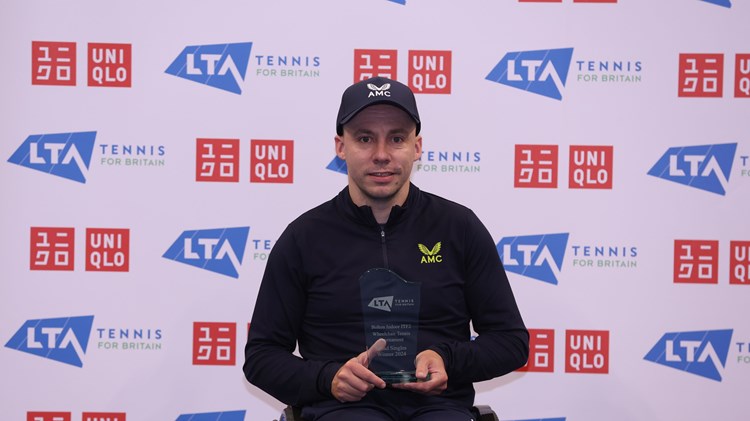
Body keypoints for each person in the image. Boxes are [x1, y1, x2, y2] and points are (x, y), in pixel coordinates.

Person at [243, 76, 528, 420]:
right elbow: (261, 357)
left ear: (417, 147)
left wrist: (446, 358)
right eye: (364, 139)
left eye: (396, 139)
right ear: (340, 146)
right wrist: (327, 378)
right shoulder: (304, 237)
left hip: (438, 410)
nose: (381, 155)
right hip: (343, 411)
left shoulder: (459, 228)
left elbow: (511, 342)